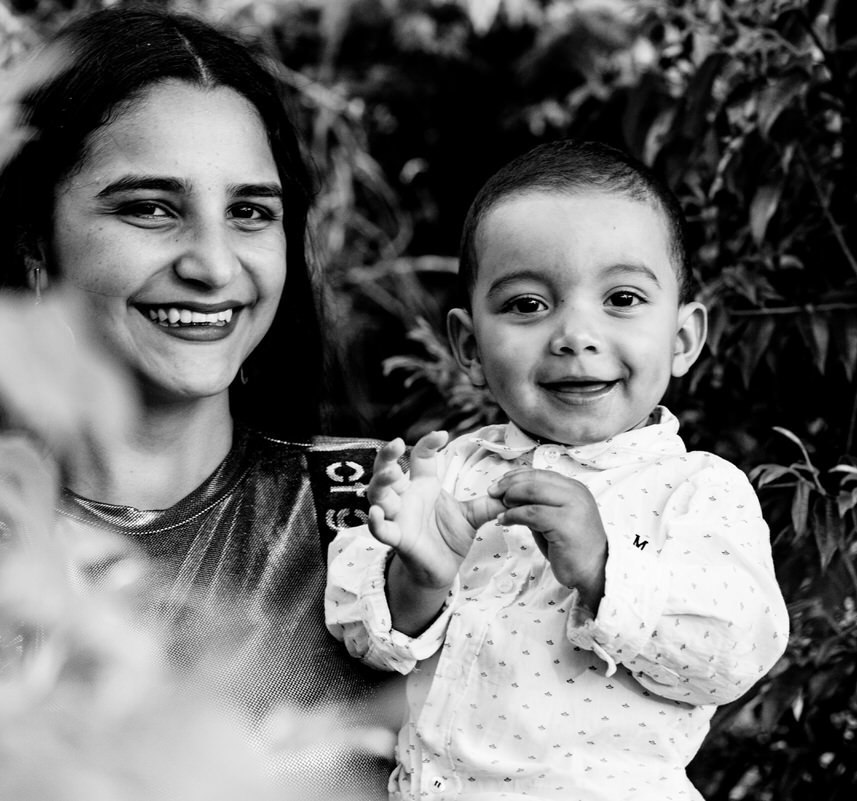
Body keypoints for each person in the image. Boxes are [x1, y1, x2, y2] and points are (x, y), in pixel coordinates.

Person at [0, 8, 393, 798]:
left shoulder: (377, 517)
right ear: (36, 241)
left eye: (250, 212)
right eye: (151, 207)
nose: (214, 265)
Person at [326, 139, 790, 799]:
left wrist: (605, 570)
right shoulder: (447, 476)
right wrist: (419, 578)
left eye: (622, 297)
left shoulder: (697, 492)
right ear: (470, 346)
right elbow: (359, 636)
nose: (575, 335)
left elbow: (735, 655)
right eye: (527, 305)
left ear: (683, 338)